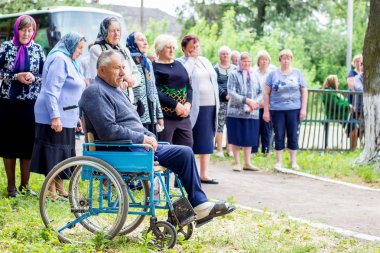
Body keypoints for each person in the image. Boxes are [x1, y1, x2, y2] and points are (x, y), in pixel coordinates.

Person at [79, 50, 235, 226]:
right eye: (117, 68)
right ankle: (196, 206)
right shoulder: (95, 92)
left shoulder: (113, 89)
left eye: (124, 67)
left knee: (184, 153)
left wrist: (147, 136)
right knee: (183, 153)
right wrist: (142, 138)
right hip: (124, 149)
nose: (123, 72)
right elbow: (108, 130)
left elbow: (131, 120)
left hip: (135, 146)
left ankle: (196, 206)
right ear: (101, 70)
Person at [30, 32, 86, 200]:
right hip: (53, 114)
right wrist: (55, 116)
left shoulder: (70, 60)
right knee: (53, 152)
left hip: (67, 114)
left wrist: (76, 118)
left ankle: (60, 189)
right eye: (79, 47)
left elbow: (73, 93)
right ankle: (50, 191)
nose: (81, 51)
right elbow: (51, 90)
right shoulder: (60, 59)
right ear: (70, 45)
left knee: (62, 153)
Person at [0, 15, 45, 197]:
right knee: (9, 144)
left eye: (29, 30)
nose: (26, 33)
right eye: (23, 29)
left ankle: (25, 185)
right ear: (16, 30)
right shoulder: (6, 48)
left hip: (30, 104)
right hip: (8, 103)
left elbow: (45, 75)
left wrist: (35, 78)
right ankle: (11, 187)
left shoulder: (38, 50)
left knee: (27, 144)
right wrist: (14, 76)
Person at [178, 35, 220, 184]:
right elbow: (184, 76)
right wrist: (191, 59)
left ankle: (204, 174)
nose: (195, 49)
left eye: (197, 46)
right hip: (194, 106)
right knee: (190, 141)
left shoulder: (205, 61)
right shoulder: (181, 62)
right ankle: (184, 175)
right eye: (192, 47)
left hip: (210, 105)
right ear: (184, 48)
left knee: (207, 140)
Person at [263, 49, 308, 170]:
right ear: (280, 60)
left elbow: (304, 91)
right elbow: (266, 93)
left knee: (293, 134)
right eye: (284, 58)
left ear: (291, 60)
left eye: (288, 58)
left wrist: (303, 109)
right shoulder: (273, 74)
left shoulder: (297, 73)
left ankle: (293, 162)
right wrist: (266, 111)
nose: (286, 60)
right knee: (279, 134)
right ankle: (279, 161)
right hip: (277, 109)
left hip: (294, 109)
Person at [152, 34, 193, 148]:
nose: (172, 50)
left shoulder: (179, 64)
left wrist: (188, 105)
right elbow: (156, 91)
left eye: (173, 47)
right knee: (166, 150)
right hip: (166, 118)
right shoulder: (154, 67)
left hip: (184, 117)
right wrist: (175, 105)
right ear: (160, 49)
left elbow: (189, 86)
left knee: (187, 148)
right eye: (168, 47)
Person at [88, 17, 140, 103]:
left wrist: (128, 82)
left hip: (129, 101)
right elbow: (96, 78)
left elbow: (136, 74)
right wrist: (121, 81)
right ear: (104, 31)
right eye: (112, 31)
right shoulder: (97, 50)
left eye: (118, 30)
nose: (116, 34)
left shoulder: (124, 50)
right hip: (109, 100)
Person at [226, 52, 262, 172]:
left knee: (250, 137)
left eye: (248, 61)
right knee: (236, 136)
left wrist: (254, 103)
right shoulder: (233, 74)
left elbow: (261, 92)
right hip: (236, 112)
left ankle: (247, 163)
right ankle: (237, 162)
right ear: (239, 62)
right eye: (244, 61)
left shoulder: (255, 75)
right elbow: (231, 92)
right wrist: (246, 100)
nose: (246, 63)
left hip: (252, 112)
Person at [126, 32, 164, 136]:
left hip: (151, 112)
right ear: (132, 43)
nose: (145, 43)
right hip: (136, 112)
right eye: (141, 40)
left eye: (145, 40)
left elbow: (153, 90)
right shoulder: (127, 61)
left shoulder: (147, 62)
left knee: (152, 144)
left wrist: (159, 115)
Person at [251, 50, 276, 156]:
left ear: (269, 61)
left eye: (266, 59)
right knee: (254, 128)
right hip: (255, 104)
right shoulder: (253, 72)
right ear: (258, 61)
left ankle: (266, 150)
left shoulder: (273, 72)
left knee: (266, 128)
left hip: (268, 105)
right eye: (262, 59)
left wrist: (267, 103)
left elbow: (274, 90)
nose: (264, 61)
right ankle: (253, 151)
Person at [214, 46, 236, 158]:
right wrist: (225, 95)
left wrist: (234, 96)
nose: (225, 56)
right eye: (223, 54)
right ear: (219, 56)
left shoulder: (235, 69)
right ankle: (219, 149)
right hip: (221, 101)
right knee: (220, 125)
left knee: (232, 125)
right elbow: (215, 85)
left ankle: (230, 149)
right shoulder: (216, 69)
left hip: (234, 102)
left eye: (227, 54)